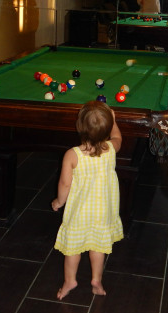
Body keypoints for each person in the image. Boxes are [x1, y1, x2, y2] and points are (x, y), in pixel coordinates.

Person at [51, 101, 124, 300]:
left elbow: (65, 184)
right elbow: (118, 137)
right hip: (103, 212)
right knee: (98, 247)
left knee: (72, 249)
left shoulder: (72, 155)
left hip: (79, 213)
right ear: (107, 129)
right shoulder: (111, 148)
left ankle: (70, 281)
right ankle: (96, 280)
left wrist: (59, 202)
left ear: (79, 126)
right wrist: (114, 121)